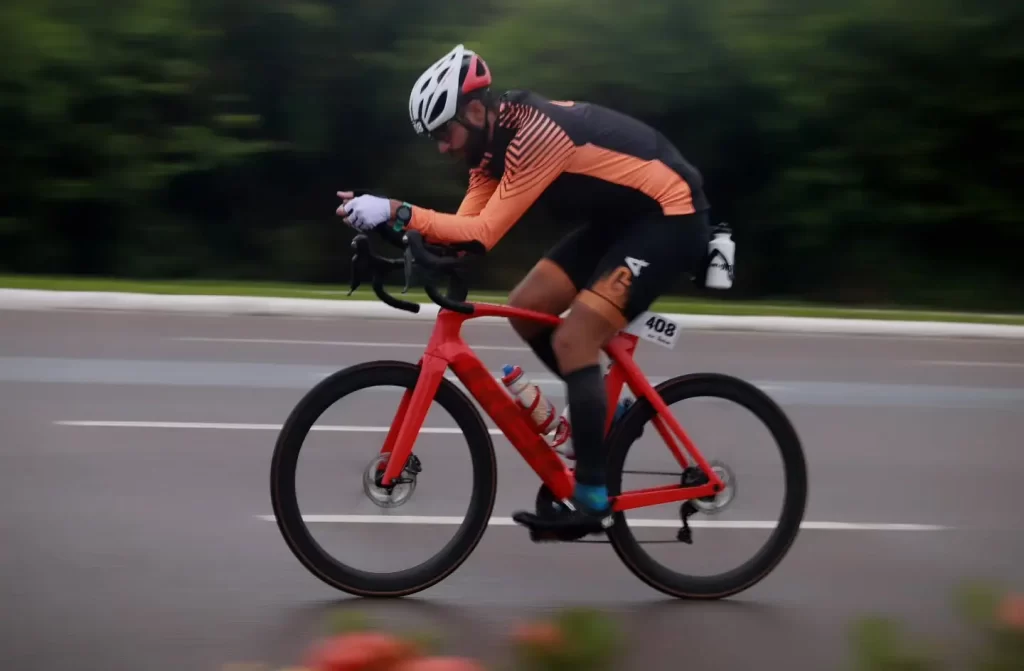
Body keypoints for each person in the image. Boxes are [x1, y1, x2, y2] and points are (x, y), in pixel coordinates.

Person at [337, 44, 712, 538]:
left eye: (444, 133)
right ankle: (605, 416)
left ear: (475, 112)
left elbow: (483, 233)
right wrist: (394, 233)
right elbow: (461, 234)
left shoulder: (534, 134)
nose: (442, 148)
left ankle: (592, 497)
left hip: (669, 217)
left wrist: (396, 210)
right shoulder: (487, 155)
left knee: (575, 338)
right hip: (621, 222)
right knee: (525, 307)